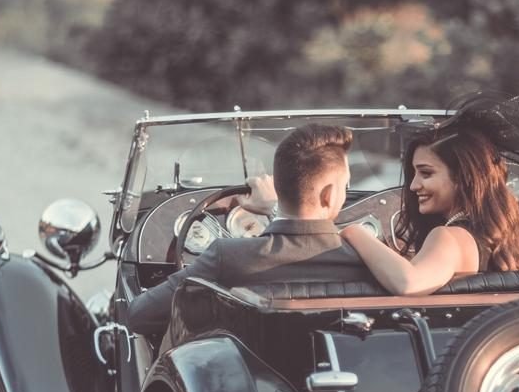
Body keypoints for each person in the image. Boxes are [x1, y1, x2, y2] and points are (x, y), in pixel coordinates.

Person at [126, 124, 375, 335]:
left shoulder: (227, 256)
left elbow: (139, 315)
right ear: (329, 195)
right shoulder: (370, 260)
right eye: (345, 186)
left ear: (280, 185)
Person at [338, 94, 519, 295]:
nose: (413, 186)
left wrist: (353, 232)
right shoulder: (504, 239)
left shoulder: (450, 237)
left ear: (463, 177)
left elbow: (409, 283)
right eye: (413, 174)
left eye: (426, 173)